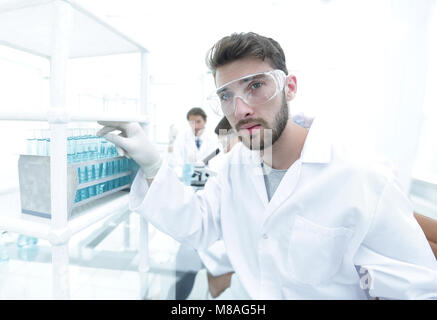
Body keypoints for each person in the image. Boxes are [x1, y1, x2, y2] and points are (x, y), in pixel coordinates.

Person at [98, 32, 437, 299]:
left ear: (289, 87)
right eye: (226, 95)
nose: (241, 108)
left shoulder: (360, 177)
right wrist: (153, 164)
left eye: (256, 86)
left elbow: (417, 289)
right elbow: (198, 225)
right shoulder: (233, 168)